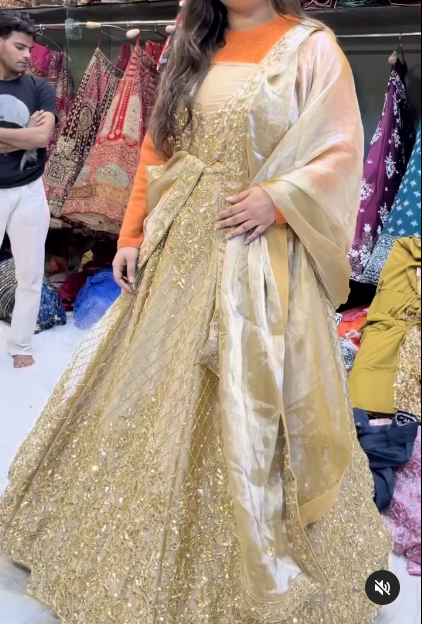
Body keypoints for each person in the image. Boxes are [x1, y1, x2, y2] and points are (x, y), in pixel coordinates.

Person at [0, 1, 392, 622]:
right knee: (155, 389)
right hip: (180, 246)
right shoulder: (193, 39)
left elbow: (342, 152)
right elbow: (157, 149)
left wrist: (277, 200)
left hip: (261, 252)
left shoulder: (311, 47)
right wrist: (132, 234)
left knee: (255, 395)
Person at [0, 10, 55, 369]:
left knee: (31, 275)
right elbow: (30, 137)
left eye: (30, 49)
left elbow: (42, 137)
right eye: (19, 47)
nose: (27, 55)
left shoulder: (40, 88)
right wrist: (24, 136)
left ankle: (21, 344)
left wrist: (26, 137)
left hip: (30, 190)